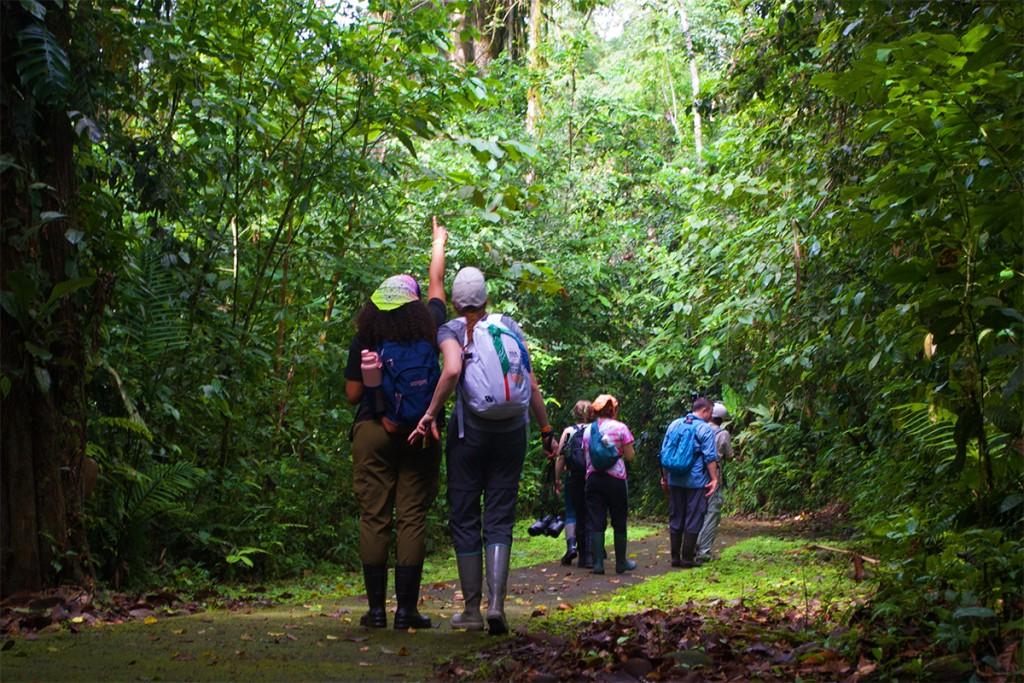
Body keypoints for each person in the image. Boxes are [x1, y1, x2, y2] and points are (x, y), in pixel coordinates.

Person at [409, 266, 556, 636]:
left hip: (468, 436)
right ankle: (497, 606)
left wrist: (429, 414)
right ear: (486, 298)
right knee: (500, 517)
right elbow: (531, 384)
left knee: (465, 516)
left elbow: (453, 369)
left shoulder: (452, 329)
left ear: (457, 303)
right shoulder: (508, 324)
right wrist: (546, 430)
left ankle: (473, 608)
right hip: (512, 434)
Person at [344, 219, 448, 630]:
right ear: (415, 302)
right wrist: (438, 242)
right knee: (411, 518)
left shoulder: (367, 333)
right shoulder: (430, 323)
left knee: (375, 518)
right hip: (421, 432)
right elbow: (437, 285)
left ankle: (375, 612)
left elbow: (353, 394)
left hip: (373, 431)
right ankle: (406, 610)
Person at [660, 397, 719, 569]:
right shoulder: (704, 429)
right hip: (696, 481)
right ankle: (687, 558)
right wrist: (714, 479)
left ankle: (674, 557)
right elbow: (710, 457)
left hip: (675, 479)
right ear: (706, 410)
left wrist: (665, 477)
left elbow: (665, 454)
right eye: (711, 412)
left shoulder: (674, 425)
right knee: (694, 517)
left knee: (676, 516)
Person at [583, 394, 637, 575]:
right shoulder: (621, 428)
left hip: (593, 479)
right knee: (619, 519)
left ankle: (598, 564)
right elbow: (630, 456)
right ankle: (621, 562)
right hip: (616, 479)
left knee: (596, 520)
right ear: (613, 409)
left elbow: (586, 456)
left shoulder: (588, 430)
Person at [555, 400, 594, 567]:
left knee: (572, 512)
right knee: (591, 512)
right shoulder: (595, 430)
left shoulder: (568, 432)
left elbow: (560, 457)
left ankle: (571, 546)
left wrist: (557, 479)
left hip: (573, 477)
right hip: (591, 477)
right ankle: (591, 550)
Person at [696, 402, 733, 563]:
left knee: (697, 512)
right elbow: (729, 455)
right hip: (713, 476)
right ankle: (703, 550)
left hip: (696, 475)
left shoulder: (698, 429)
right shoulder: (722, 434)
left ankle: (691, 547)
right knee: (712, 512)